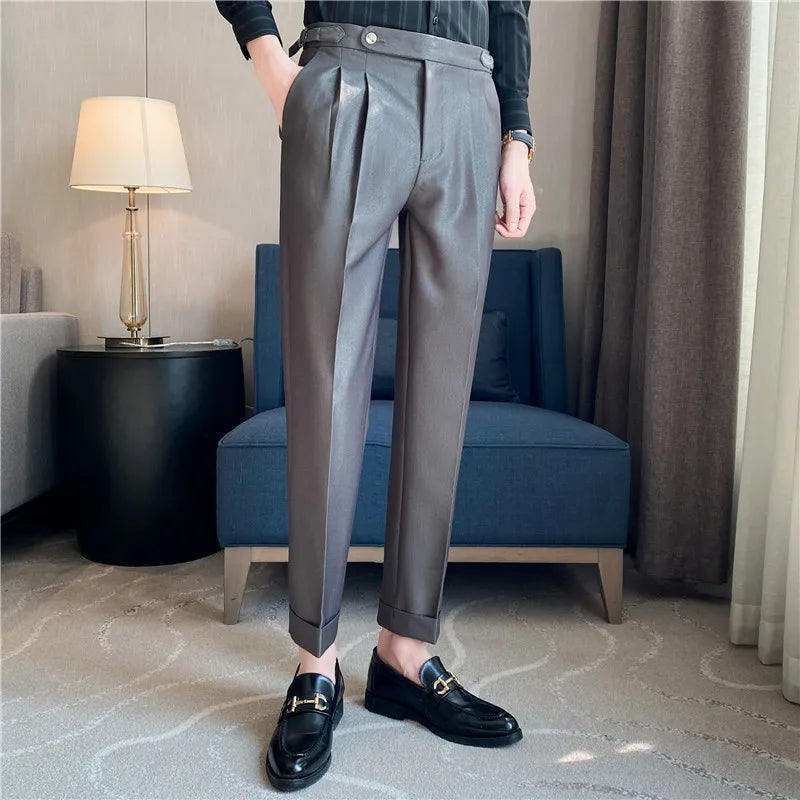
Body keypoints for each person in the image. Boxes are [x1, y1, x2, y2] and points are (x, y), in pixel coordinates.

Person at [216, 1, 536, 791]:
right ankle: (315, 663)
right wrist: (272, 63)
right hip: (348, 78)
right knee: (325, 385)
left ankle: (405, 654)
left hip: (470, 97)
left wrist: (517, 136)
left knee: (442, 393)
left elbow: (512, 6)